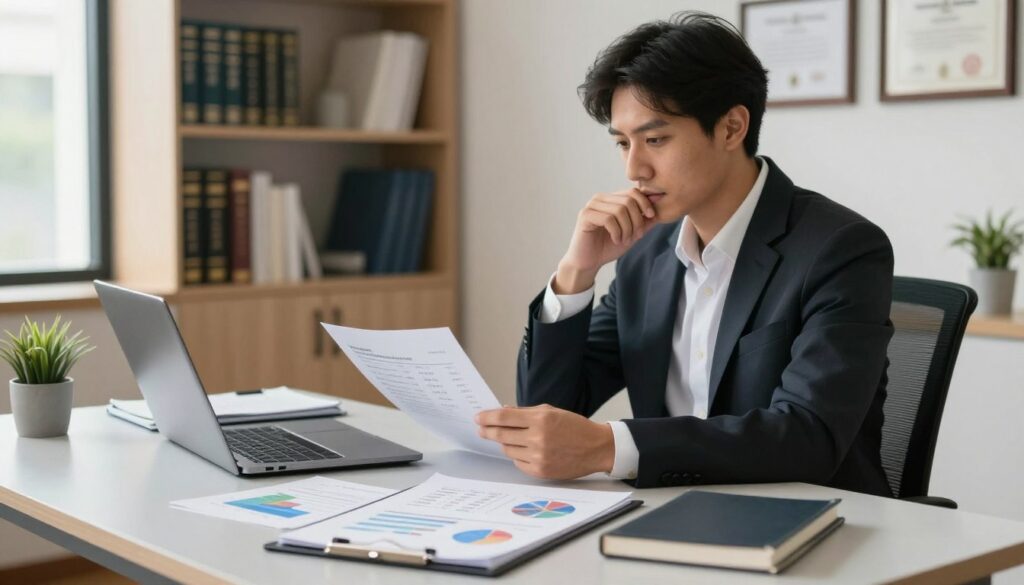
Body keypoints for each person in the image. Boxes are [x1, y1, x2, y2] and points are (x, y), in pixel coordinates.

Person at [474, 12, 895, 497]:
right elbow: (548, 413)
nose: (634, 168)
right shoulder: (646, 254)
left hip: (811, 516)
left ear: (732, 127)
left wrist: (611, 447)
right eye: (622, 143)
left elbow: (808, 437)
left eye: (655, 140)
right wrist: (576, 271)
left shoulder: (840, 249)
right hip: (670, 508)